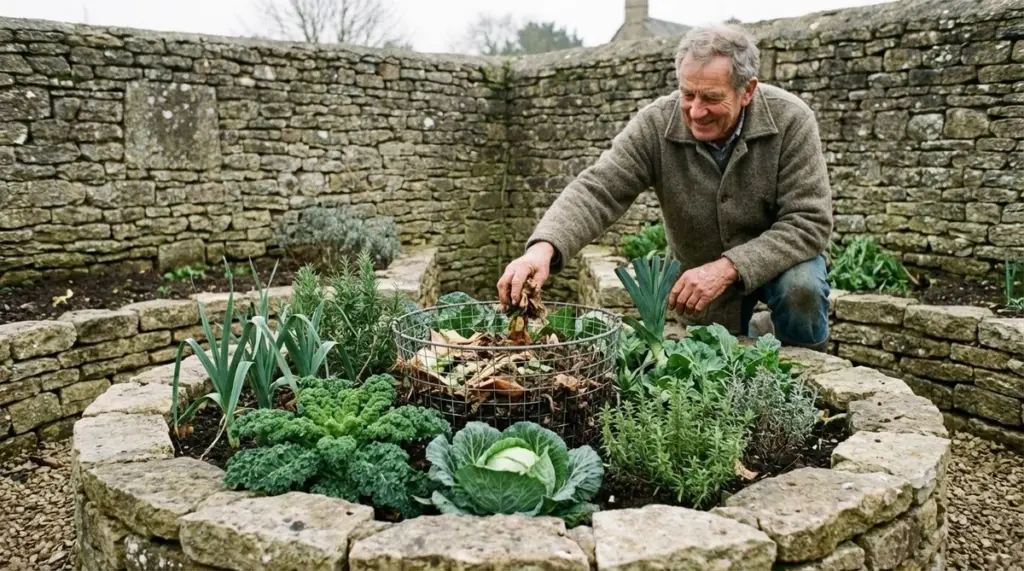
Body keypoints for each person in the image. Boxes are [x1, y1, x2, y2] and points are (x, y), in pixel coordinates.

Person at [496, 24, 833, 351]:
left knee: (801, 288)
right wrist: (541, 249)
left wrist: (727, 267)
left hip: (780, 264)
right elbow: (599, 189)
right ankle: (757, 332)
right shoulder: (657, 123)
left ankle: (805, 368)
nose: (696, 111)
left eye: (712, 98)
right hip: (698, 280)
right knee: (716, 365)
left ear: (747, 91)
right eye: (688, 94)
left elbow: (808, 222)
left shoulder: (791, 120)